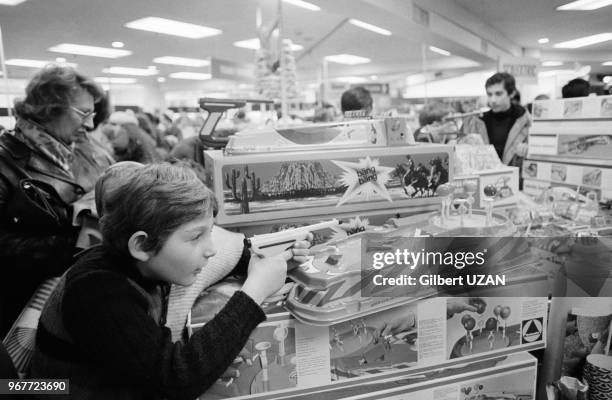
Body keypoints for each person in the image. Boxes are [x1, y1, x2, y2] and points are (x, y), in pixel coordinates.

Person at [30, 163, 311, 398]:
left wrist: (279, 262)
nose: (211, 249)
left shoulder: (149, 263)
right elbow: (174, 381)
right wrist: (254, 292)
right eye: (195, 237)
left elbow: (162, 365)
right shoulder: (98, 292)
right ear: (141, 245)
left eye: (209, 233)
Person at [0, 64, 105, 335]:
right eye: (83, 113)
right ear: (48, 107)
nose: (90, 124)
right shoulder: (5, 162)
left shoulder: (81, 153)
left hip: (74, 296)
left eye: (92, 114)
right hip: (22, 311)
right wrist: (73, 242)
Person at [471, 72, 531, 167]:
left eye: (498, 94)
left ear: (511, 93)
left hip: (516, 179)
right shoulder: (479, 121)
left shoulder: (526, 120)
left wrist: (529, 150)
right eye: (489, 94)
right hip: (486, 179)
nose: (493, 100)